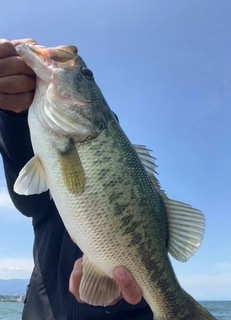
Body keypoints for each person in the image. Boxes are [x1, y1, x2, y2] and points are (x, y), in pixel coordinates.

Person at [0, 38, 153, 320]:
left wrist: (118, 297)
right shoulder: (48, 137)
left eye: (85, 75)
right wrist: (12, 114)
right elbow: (28, 197)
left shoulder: (96, 139)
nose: (77, 67)